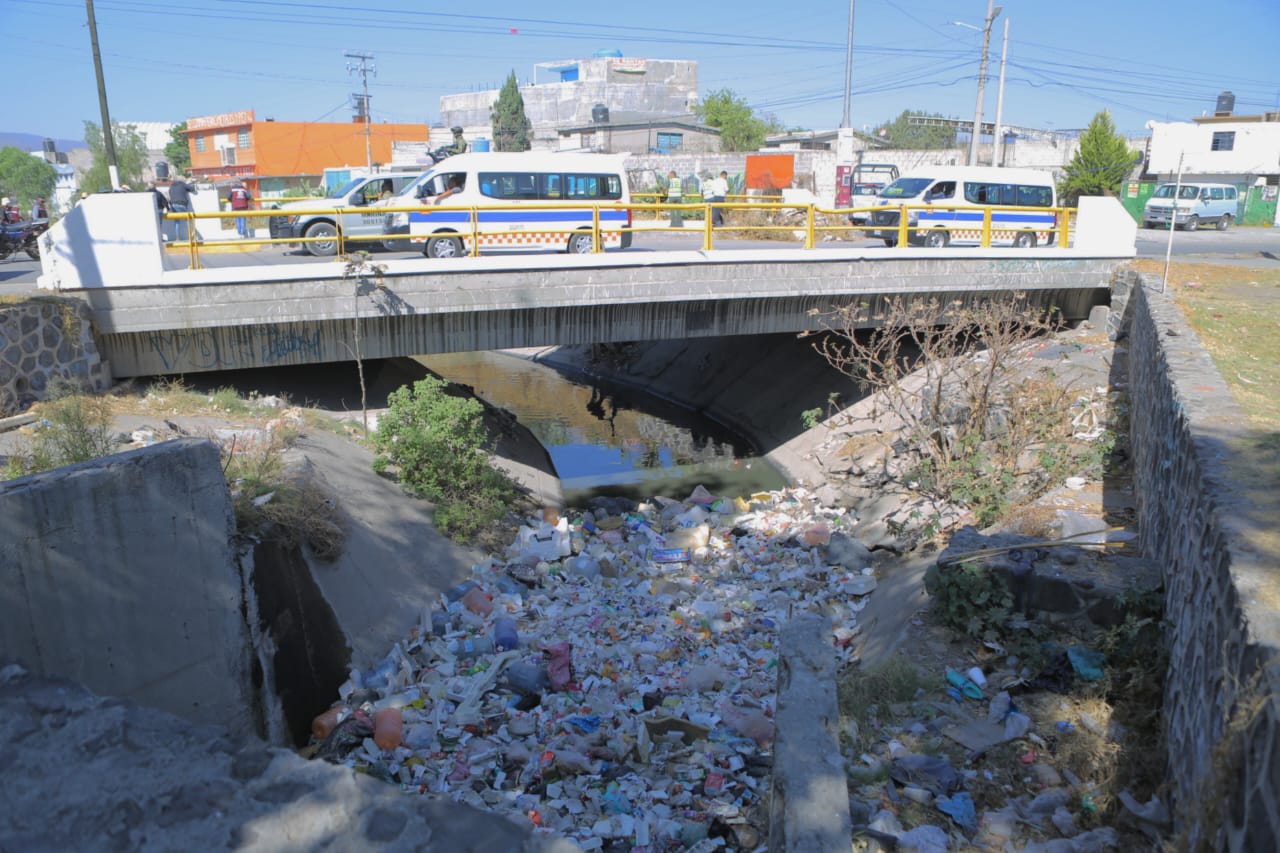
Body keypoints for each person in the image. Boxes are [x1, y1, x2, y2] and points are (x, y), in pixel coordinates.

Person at [168, 175, 198, 242]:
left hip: (173, 205)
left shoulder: (171, 187)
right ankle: (192, 236)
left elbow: (170, 198)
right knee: (187, 220)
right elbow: (192, 189)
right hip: (181, 204)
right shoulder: (183, 184)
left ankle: (177, 238)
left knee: (176, 222)